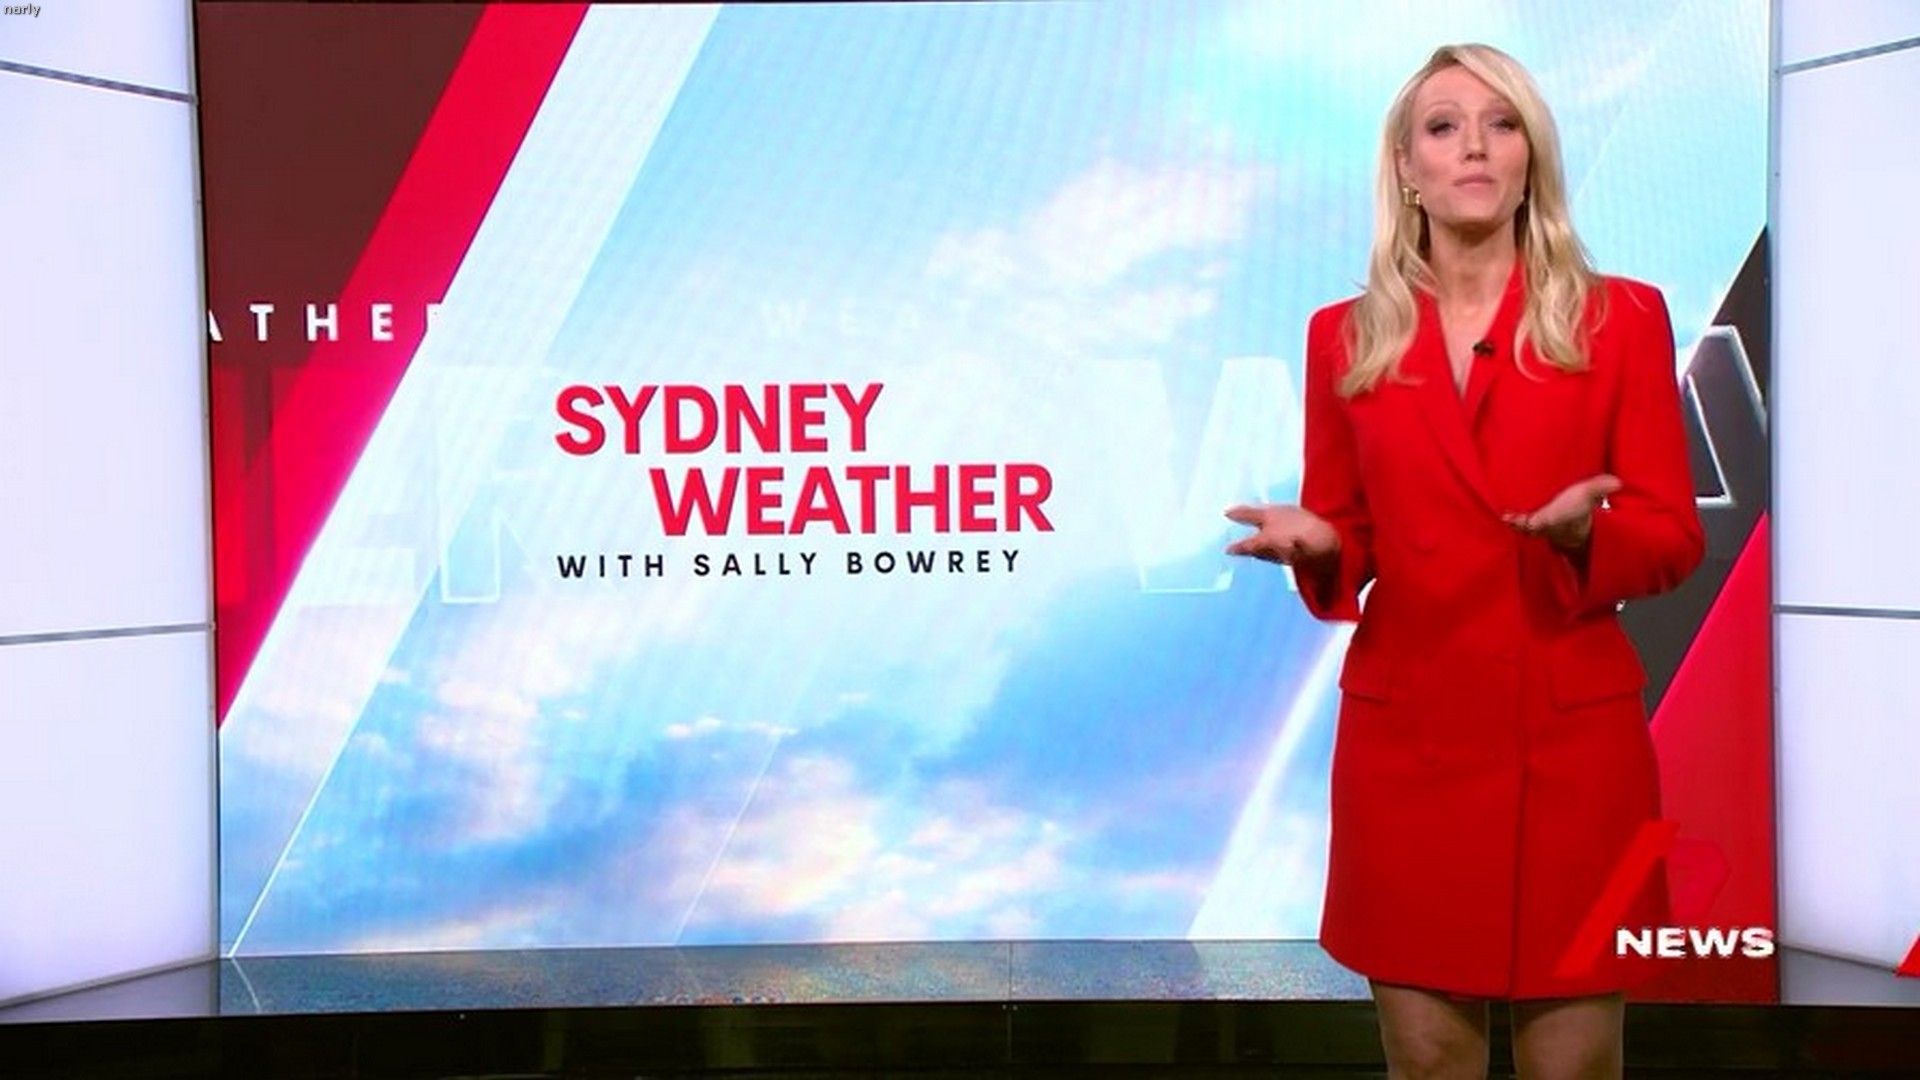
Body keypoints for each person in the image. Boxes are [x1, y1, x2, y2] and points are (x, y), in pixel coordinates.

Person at [1225, 43, 1704, 1079]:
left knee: (1575, 1066)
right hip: (1411, 749)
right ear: (1407, 167)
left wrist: (1586, 535)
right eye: (1443, 127)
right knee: (1429, 1062)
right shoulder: (1343, 338)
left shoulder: (1620, 319)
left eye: (1502, 123)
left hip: (1572, 753)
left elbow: (1673, 536)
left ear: (1532, 156)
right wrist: (1324, 544)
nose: (1475, 147)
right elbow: (1350, 529)